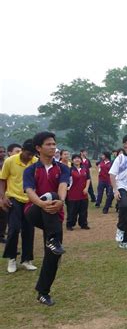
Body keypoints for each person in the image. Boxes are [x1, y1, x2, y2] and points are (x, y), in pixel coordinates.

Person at [23, 131, 70, 306]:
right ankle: (52, 239)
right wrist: (43, 204)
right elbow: (29, 192)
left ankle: (43, 292)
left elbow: (63, 185)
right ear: (38, 148)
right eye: (48, 144)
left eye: (53, 144)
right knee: (50, 195)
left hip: (55, 213)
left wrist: (62, 201)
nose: (52, 147)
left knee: (53, 257)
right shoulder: (31, 170)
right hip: (33, 211)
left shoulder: (63, 168)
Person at [1, 139, 37, 273]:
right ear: (22, 149)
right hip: (14, 199)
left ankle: (27, 260)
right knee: (14, 229)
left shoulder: (35, 162)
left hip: (30, 200)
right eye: (28, 153)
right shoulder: (10, 161)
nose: (29, 157)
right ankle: (11, 258)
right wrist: (3, 197)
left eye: (32, 154)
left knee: (28, 230)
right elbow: (2, 179)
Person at [66, 154, 91, 231]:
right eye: (75, 158)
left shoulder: (85, 169)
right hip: (73, 194)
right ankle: (70, 224)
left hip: (83, 194)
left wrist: (86, 188)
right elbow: (67, 182)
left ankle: (83, 224)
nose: (77, 160)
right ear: (72, 160)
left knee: (83, 210)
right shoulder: (70, 170)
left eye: (78, 158)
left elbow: (88, 179)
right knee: (72, 211)